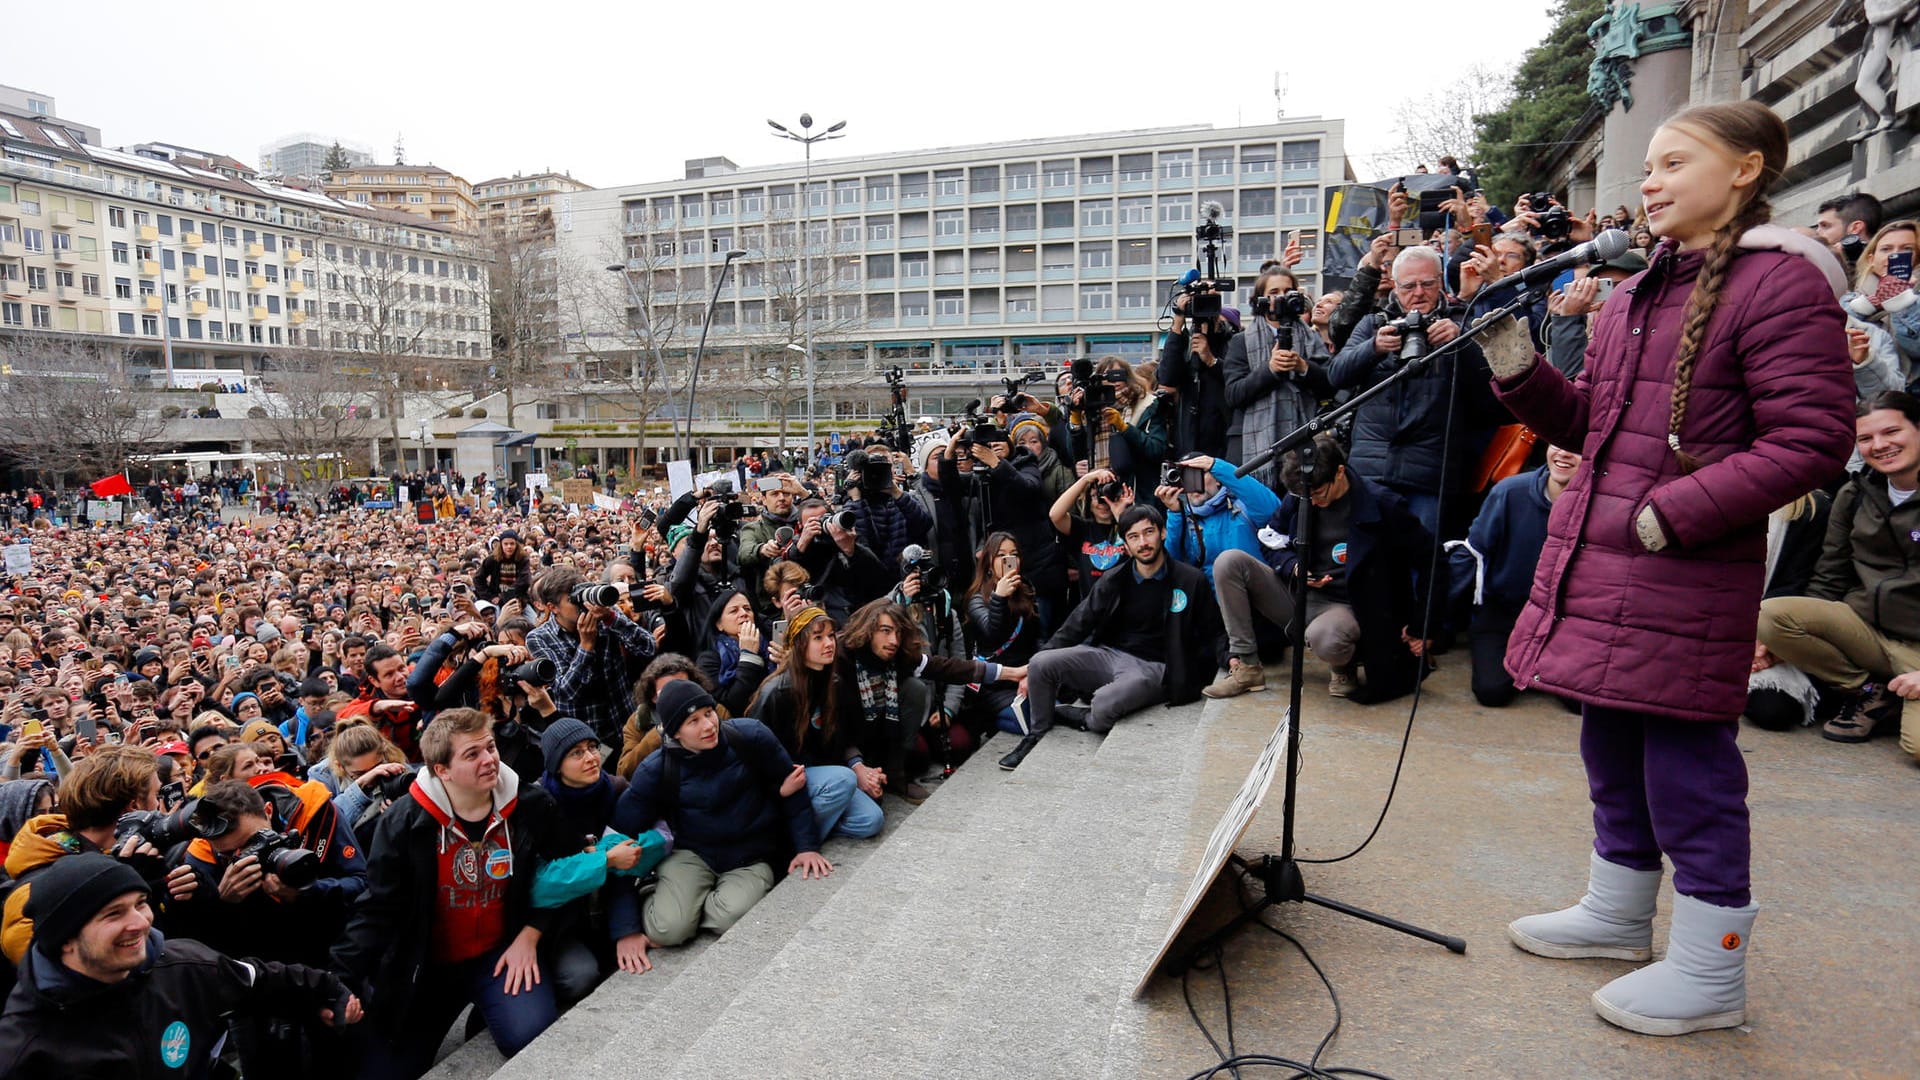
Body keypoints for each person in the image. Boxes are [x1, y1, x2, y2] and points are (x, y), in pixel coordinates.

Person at [1484, 101, 1854, 1036]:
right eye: (1646, 164)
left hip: (1680, 567)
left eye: (1673, 161)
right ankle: (1616, 914)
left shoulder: (1778, 284)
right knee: (1609, 743)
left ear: (1745, 170)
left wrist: (1674, 513)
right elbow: (1596, 427)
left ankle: (1709, 972)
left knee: (1688, 767)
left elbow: (1813, 440)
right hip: (1613, 563)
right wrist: (1521, 367)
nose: (1648, 181)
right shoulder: (1642, 289)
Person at [331, 707, 580, 1078]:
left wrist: (531, 933)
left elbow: (566, 871)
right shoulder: (402, 821)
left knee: (528, 1035)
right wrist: (339, 981)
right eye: (472, 754)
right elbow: (378, 908)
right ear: (441, 770)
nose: (489, 760)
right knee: (388, 1070)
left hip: (499, 952)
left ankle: (488, 1007)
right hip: (427, 965)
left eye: (490, 747)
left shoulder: (531, 804)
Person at [0, 853, 362, 1080]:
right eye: (113, 914)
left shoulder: (182, 965)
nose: (141, 923)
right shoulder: (25, 1051)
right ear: (65, 938)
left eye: (141, 903)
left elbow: (263, 980)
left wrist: (329, 992)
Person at [607, 681, 828, 974]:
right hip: (692, 853)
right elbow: (617, 842)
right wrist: (626, 928)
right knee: (668, 930)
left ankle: (687, 909)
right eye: (693, 721)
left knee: (732, 917)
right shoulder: (656, 769)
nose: (708, 725)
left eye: (709, 713)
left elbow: (792, 785)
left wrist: (807, 847)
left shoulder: (749, 736)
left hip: (750, 855)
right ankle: (660, 897)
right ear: (675, 732)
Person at [1201, 436, 1434, 703]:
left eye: (1319, 494)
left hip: (1349, 604)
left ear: (1339, 472)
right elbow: (1270, 539)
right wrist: (1293, 566)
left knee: (1324, 635)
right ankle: (1248, 665)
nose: (1312, 502)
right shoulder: (1302, 495)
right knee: (1229, 562)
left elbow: (1431, 560)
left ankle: (1343, 666)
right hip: (1301, 593)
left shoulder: (1382, 503)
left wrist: (1423, 624)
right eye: (1305, 496)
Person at [1755, 393, 1920, 754]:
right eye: (1866, 438)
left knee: (1918, 747)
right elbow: (1828, 577)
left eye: (1892, 432)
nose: (1880, 445)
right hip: (1869, 633)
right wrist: (1778, 643)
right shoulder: (1855, 493)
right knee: (1773, 616)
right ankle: (1871, 692)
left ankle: (1905, 695)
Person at [999, 505, 1219, 771]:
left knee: (1103, 706)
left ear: (1162, 533)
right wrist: (1030, 666)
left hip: (1156, 667)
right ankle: (1037, 733)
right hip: (1110, 655)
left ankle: (1083, 718)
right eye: (1134, 536)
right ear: (1125, 545)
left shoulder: (1189, 580)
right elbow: (1078, 623)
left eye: (1149, 532)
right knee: (1041, 663)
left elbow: (1213, 631)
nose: (1143, 542)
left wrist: (1225, 661)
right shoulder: (1115, 579)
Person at [1329, 244, 1505, 539]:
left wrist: (1462, 342)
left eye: (1428, 284)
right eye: (1409, 286)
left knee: (1422, 566)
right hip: (1373, 467)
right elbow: (1336, 375)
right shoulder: (1374, 324)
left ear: (1441, 282)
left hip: (1431, 472)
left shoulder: (1461, 322)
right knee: (1371, 564)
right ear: (1395, 288)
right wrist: (1373, 348)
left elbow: (1492, 395)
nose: (1419, 293)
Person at [1447, 445, 1583, 707]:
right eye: (1558, 444)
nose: (1564, 454)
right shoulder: (1509, 491)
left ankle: (1542, 660)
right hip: (1505, 611)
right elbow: (1471, 555)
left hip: (1567, 619)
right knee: (1492, 691)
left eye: (1577, 449)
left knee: (1578, 704)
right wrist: (1434, 624)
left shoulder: (1600, 502)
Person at [748, 608, 885, 842]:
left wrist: (859, 766)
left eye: (831, 636)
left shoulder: (833, 683)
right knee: (843, 780)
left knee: (871, 820)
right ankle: (795, 841)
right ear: (800, 645)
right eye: (818, 638)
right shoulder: (777, 693)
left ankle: (809, 823)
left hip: (823, 773)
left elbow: (844, 736)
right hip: (787, 779)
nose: (829, 643)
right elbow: (755, 754)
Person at [525, 564, 658, 743]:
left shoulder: (604, 614)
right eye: (573, 600)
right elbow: (566, 693)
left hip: (625, 723)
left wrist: (612, 618)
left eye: (584, 596)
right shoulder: (539, 638)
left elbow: (648, 647)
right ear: (553, 607)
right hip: (587, 736)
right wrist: (586, 645)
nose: (583, 605)